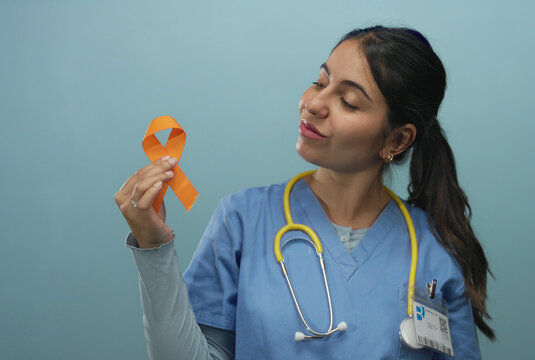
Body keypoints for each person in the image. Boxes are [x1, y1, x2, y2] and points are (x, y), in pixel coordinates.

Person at [115, 25, 494, 359]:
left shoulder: (435, 252)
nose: (313, 104)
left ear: (396, 139)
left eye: (347, 101)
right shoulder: (242, 221)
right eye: (320, 81)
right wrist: (153, 247)